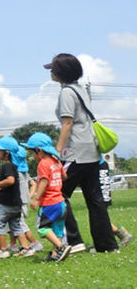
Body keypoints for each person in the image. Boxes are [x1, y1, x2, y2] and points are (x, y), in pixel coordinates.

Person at [45, 53, 118, 253]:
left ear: (61, 72)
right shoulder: (81, 89)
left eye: (53, 69)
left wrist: (57, 151)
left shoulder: (66, 93)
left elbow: (67, 123)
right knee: (95, 201)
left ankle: (74, 241)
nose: (50, 72)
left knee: (57, 195)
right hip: (91, 152)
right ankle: (107, 245)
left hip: (75, 152)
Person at [23, 132, 72, 261]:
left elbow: (43, 181)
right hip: (61, 203)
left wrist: (36, 198)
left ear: (39, 150)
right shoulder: (56, 161)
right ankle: (56, 254)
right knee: (58, 230)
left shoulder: (43, 163)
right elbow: (64, 176)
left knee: (42, 228)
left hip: (49, 203)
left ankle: (60, 247)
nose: (33, 156)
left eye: (32, 153)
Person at [0, 137, 34, 259]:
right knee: (16, 225)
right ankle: (26, 248)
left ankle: (3, 249)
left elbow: (9, 181)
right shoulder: (14, 166)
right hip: (17, 204)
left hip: (7, 204)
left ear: (6, 153)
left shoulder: (7, 166)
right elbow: (3, 179)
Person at [8, 146, 42, 253]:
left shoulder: (15, 173)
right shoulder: (24, 172)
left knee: (20, 225)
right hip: (22, 203)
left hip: (17, 203)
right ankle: (13, 245)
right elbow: (33, 184)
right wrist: (29, 196)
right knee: (13, 223)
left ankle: (35, 243)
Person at [98, 157, 133, 247]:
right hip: (95, 167)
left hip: (98, 167)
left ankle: (121, 234)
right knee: (98, 210)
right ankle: (104, 239)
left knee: (100, 208)